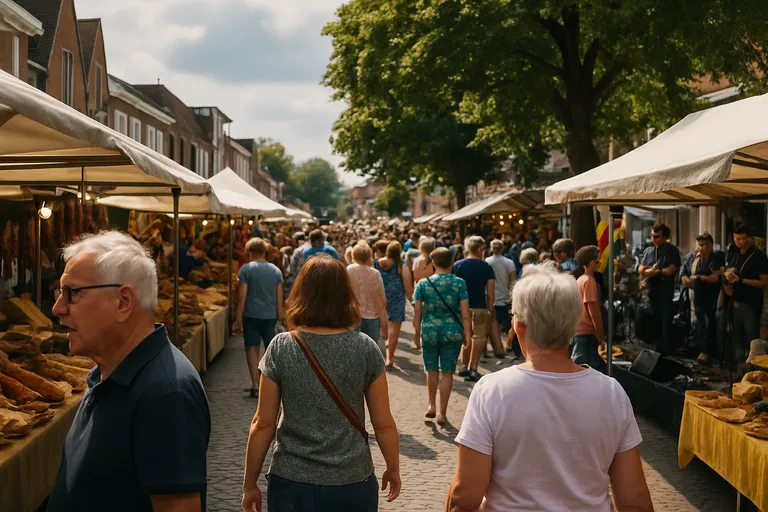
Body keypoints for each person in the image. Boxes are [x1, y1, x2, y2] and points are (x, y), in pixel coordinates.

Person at [446, 263, 653, 512]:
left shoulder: (492, 391)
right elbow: (634, 500)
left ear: (518, 326)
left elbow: (464, 495)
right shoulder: (611, 393)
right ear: (574, 325)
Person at [46, 231, 210, 511]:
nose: (57, 308)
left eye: (73, 293)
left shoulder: (166, 393)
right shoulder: (108, 371)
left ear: (123, 302)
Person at [242, 256, 401, 512]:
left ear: (301, 294)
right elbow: (383, 424)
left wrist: (249, 483)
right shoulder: (366, 349)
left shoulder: (281, 347)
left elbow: (263, 423)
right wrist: (393, 468)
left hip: (291, 480)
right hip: (352, 479)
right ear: (346, 295)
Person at [413, 248, 472, 425]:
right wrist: (467, 333)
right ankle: (442, 413)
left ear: (433, 263)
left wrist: (416, 333)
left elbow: (417, 312)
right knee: (447, 372)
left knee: (431, 369)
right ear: (451, 262)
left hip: (430, 331)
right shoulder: (459, 283)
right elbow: (465, 313)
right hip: (452, 331)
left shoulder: (423, 284)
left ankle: (431, 405)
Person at [234, 238, 285, 398]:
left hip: (251, 314)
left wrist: (237, 316)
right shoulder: (276, 271)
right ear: (265, 252)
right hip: (270, 315)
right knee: (270, 349)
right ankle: (269, 383)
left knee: (252, 347)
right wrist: (281, 314)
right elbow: (279, 297)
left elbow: (242, 295)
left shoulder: (245, 269)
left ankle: (255, 384)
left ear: (249, 252)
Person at [453, 236, 497, 382]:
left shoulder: (457, 265)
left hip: (461, 307)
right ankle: (473, 368)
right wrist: (490, 308)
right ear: (479, 250)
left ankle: (463, 366)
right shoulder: (486, 267)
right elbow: (490, 291)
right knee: (479, 337)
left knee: (465, 336)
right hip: (479, 306)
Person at [724, 223, 768, 362]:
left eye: (743, 239)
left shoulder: (759, 256)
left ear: (749, 238)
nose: (740, 242)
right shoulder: (735, 253)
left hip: (752, 304)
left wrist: (741, 280)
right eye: (737, 239)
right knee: (737, 341)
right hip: (735, 302)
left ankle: (751, 371)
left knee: (752, 342)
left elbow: (764, 283)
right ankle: (739, 369)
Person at [681, 232, 725, 365]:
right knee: (698, 323)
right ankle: (697, 348)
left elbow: (716, 277)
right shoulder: (693, 257)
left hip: (712, 296)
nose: (701, 248)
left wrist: (699, 278)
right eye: (699, 245)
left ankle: (707, 352)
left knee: (709, 322)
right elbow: (683, 274)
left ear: (710, 245)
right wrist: (688, 280)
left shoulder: (717, 256)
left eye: (704, 245)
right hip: (696, 294)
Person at [639, 223, 681, 353]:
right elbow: (641, 267)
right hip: (652, 292)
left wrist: (659, 272)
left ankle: (666, 348)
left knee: (665, 321)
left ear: (664, 237)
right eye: (652, 236)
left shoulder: (671, 250)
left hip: (665, 292)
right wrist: (647, 272)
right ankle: (655, 345)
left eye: (657, 236)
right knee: (653, 320)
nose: (654, 239)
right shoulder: (649, 251)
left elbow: (672, 269)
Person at [348, 242, 389, 356]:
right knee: (370, 353)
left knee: (352, 352)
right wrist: (384, 325)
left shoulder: (349, 270)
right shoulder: (374, 273)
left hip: (352, 315)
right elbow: (382, 301)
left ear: (353, 256)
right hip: (372, 317)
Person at [571, 246, 606, 371]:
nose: (599, 263)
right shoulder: (588, 281)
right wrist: (601, 337)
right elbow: (593, 312)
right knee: (586, 370)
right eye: (597, 261)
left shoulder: (580, 280)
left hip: (580, 332)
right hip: (586, 334)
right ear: (590, 262)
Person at [375, 241, 407, 368]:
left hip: (380, 295)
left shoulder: (376, 262)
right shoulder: (400, 265)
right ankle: (390, 357)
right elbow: (408, 285)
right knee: (395, 329)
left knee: (378, 322)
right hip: (397, 298)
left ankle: (383, 341)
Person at [485, 240, 517, 362]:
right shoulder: (509, 262)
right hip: (505, 298)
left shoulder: (487, 261)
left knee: (493, 325)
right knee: (508, 324)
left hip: (491, 297)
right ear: (503, 248)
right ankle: (507, 347)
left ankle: (496, 349)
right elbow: (513, 281)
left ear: (491, 248)